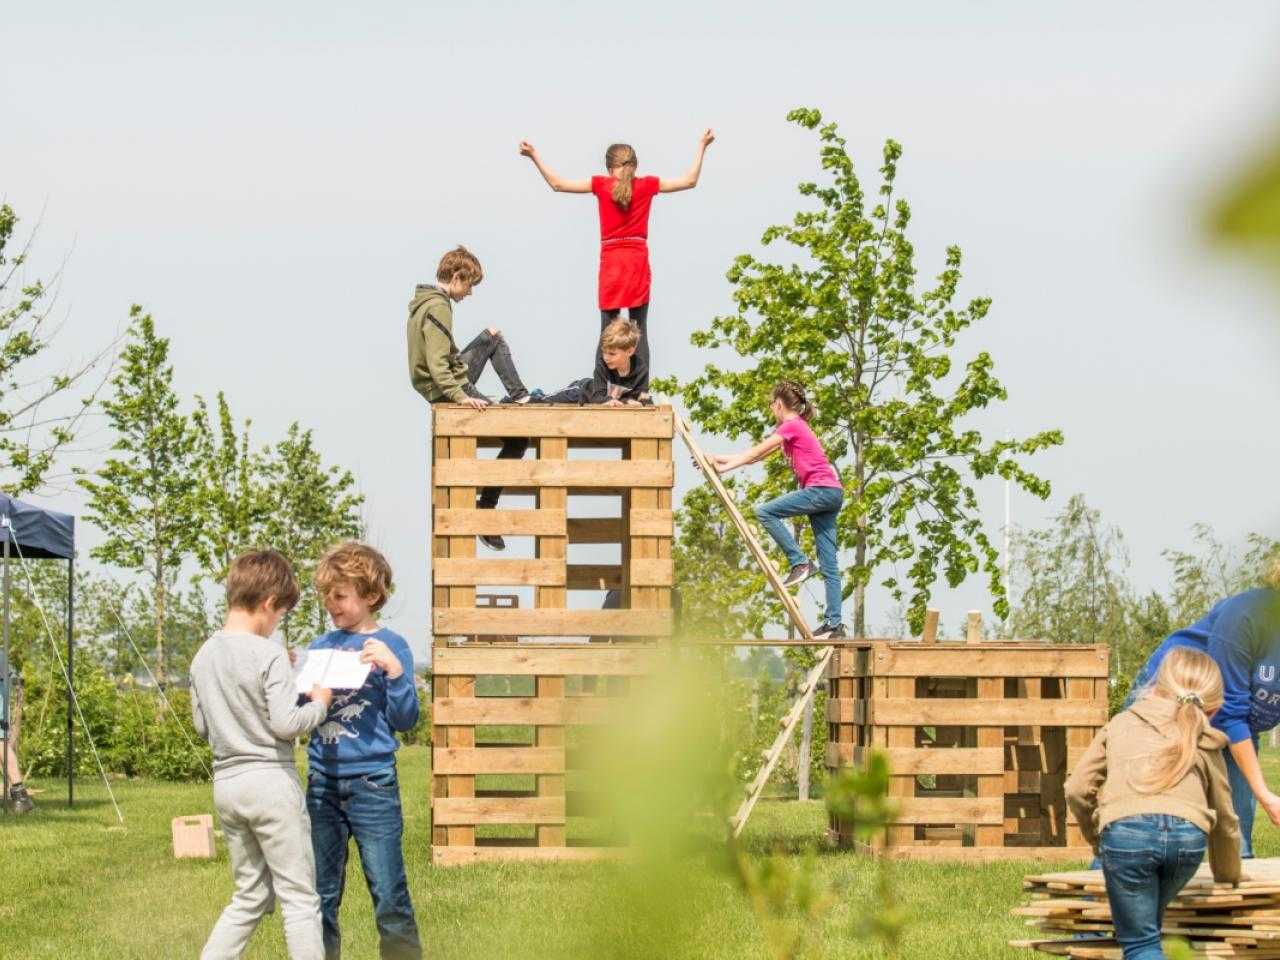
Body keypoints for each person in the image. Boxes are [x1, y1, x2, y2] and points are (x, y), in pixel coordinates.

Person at [190, 550, 335, 960]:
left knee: (250, 893)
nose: (277, 624)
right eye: (281, 614)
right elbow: (287, 723)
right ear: (270, 603)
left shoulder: (203, 655)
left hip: (228, 786)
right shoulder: (268, 651)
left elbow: (204, 726)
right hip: (271, 782)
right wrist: (320, 702)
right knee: (299, 897)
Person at [1066, 646, 1242, 960]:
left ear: (1155, 687)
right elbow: (1226, 819)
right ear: (1213, 708)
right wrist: (1228, 878)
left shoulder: (1121, 723)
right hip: (1188, 839)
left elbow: (1077, 789)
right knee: (1147, 930)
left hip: (1127, 835)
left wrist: (1099, 841)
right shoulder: (1206, 738)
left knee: (1139, 943)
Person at [518, 130, 715, 387]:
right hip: (637, 261)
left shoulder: (601, 185)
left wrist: (534, 156)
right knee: (639, 330)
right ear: (635, 165)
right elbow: (689, 181)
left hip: (612, 262)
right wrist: (702, 145)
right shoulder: (647, 185)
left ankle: (601, 388)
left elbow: (558, 184)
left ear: (609, 167)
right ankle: (641, 390)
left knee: (607, 329)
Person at [304, 541, 421, 960]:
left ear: (370, 595)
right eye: (326, 596)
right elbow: (303, 714)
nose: (330, 604)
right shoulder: (320, 646)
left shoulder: (393, 645)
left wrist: (394, 671)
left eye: (339, 595)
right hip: (322, 786)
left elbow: (406, 719)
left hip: (373, 784)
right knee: (320, 897)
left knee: (389, 895)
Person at [1120, 561, 1280, 858]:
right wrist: (1267, 796)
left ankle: (1233, 900)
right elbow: (1229, 711)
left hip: (1238, 725)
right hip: (1170, 698)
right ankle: (1092, 894)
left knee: (1236, 839)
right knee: (1136, 818)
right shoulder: (1248, 614)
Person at [407, 244, 536, 549]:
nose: (469, 293)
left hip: (448, 380)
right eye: (469, 284)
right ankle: (486, 506)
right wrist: (461, 397)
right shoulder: (438, 306)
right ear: (455, 277)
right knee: (519, 440)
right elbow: (438, 365)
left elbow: (442, 360)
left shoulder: (425, 302)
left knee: (491, 335)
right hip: (446, 387)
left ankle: (520, 397)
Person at [709, 380, 846, 640]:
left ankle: (800, 562)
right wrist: (720, 458)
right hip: (832, 492)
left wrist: (724, 468)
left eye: (771, 405)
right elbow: (757, 455)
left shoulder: (791, 425)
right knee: (830, 564)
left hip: (821, 490)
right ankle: (834, 625)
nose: (771, 410)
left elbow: (753, 454)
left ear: (779, 404)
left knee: (765, 512)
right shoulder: (797, 427)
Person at [536, 318, 650, 405]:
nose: (606, 357)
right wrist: (614, 401)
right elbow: (597, 397)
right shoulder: (603, 366)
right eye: (604, 352)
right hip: (580, 392)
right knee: (545, 402)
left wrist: (635, 401)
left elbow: (641, 397)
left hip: (605, 401)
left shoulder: (641, 370)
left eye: (612, 354)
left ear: (630, 351)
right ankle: (537, 396)